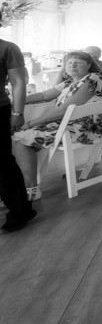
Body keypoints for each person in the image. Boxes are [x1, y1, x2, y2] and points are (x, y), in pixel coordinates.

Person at [12, 51, 102, 200]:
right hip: (73, 125)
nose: (73, 65)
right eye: (70, 62)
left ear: (89, 65)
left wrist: (30, 123)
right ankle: (28, 185)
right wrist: (15, 101)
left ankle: (31, 189)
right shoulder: (69, 82)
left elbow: (63, 111)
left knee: (21, 139)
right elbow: (44, 95)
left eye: (78, 62)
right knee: (22, 136)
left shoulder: (92, 78)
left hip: (87, 128)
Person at [0, 26, 35, 234]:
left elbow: (18, 81)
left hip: (0, 108)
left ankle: (21, 211)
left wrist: (17, 112)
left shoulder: (8, 48)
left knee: (2, 161)